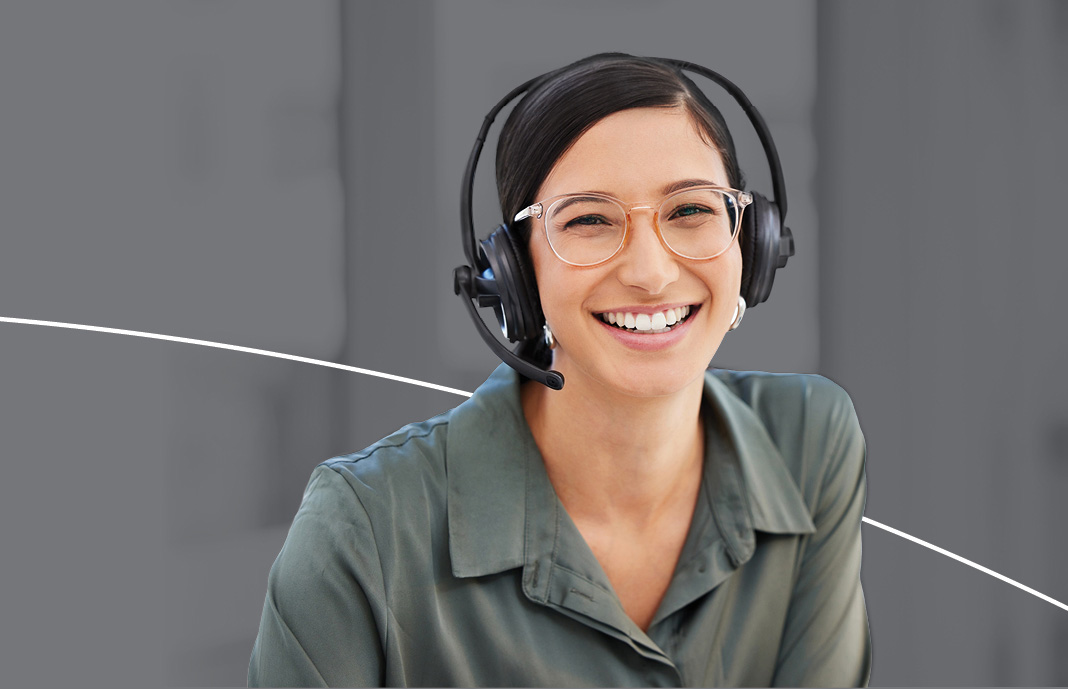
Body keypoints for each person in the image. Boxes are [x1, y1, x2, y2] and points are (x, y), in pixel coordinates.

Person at [248, 53, 871, 687]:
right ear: (514, 276)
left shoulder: (809, 442)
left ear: (754, 243)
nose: (651, 274)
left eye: (690, 211)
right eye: (590, 220)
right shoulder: (364, 532)